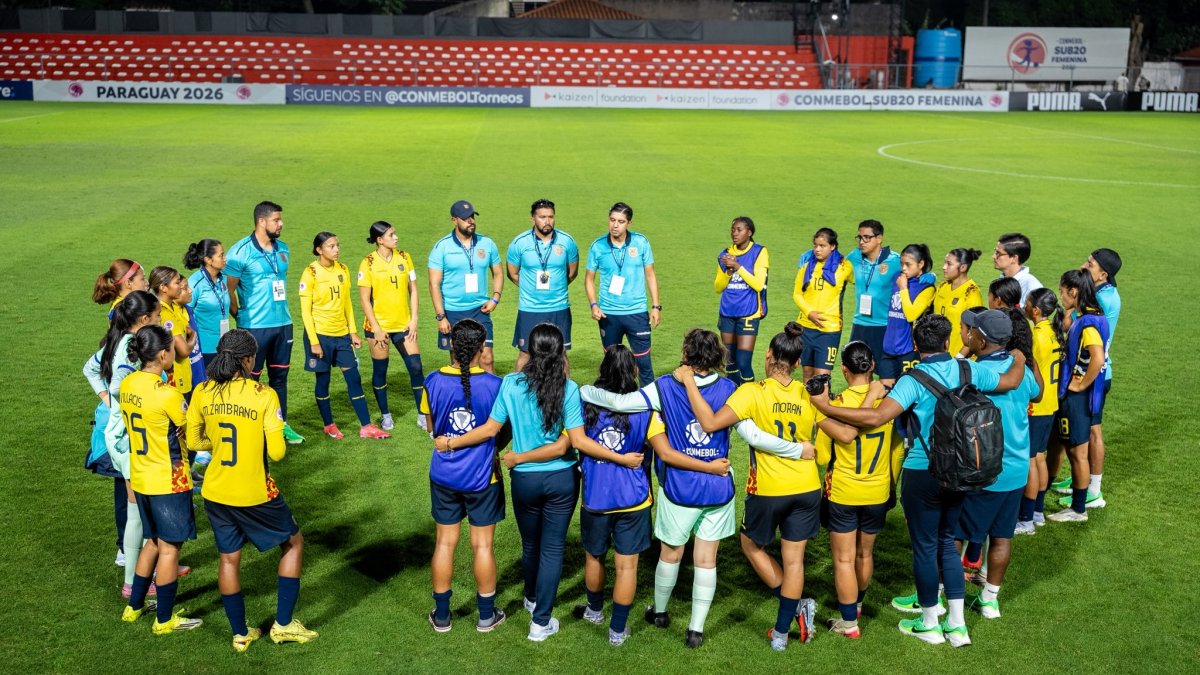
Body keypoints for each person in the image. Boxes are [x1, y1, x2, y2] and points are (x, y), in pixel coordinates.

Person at [580, 328, 807, 649]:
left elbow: (620, 402)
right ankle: (696, 630)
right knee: (706, 559)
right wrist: (797, 450)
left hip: (679, 490)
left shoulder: (664, 386)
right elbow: (753, 436)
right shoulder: (731, 389)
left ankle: (659, 613)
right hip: (717, 490)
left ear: (686, 354)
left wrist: (581, 391)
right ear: (717, 356)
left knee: (671, 554)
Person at [810, 314, 1028, 648]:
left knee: (926, 547)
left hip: (923, 472)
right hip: (961, 472)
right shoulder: (967, 369)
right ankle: (957, 627)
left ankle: (929, 622)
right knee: (948, 545)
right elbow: (1012, 381)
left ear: (915, 346)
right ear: (946, 342)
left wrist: (826, 407)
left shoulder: (913, 379)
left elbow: (876, 416)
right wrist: (1019, 356)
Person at [678, 323, 857, 651]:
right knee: (795, 563)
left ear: (769, 356)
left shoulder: (751, 392)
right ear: (799, 361)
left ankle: (796, 605)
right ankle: (779, 634)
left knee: (750, 545)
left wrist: (689, 382)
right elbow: (845, 434)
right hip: (806, 488)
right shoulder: (807, 394)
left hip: (768, 489)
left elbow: (709, 423)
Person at [433, 323, 606, 642]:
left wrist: (450, 444)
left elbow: (489, 430)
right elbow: (577, 441)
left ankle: (529, 598)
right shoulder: (568, 388)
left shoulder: (511, 383)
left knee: (530, 544)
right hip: (562, 479)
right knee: (552, 547)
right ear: (560, 352)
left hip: (524, 481)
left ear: (528, 352)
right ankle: (541, 623)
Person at [187, 329, 316, 651]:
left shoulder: (202, 391)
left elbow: (194, 442)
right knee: (293, 543)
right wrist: (271, 432)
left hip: (215, 491)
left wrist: (218, 443)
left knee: (229, 560)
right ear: (247, 359)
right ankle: (283, 625)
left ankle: (240, 633)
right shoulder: (263, 396)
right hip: (254, 492)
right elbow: (277, 453)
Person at [420, 319, 510, 634]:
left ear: (452, 347)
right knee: (482, 546)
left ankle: (442, 616)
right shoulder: (496, 385)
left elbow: (432, 428)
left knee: (445, 543)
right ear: (480, 349)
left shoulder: (431, 381)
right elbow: (502, 431)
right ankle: (486, 616)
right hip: (484, 477)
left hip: (443, 474)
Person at [573, 345, 663, 646]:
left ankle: (595, 611)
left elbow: (574, 442)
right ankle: (617, 629)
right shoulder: (646, 411)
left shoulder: (584, 405)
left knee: (594, 557)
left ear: (603, 370)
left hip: (596, 498)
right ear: (634, 372)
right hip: (634, 498)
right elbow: (661, 449)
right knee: (627, 566)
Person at [955, 309, 1041, 620]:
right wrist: (1025, 356)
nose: (968, 334)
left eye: (972, 331)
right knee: (1002, 536)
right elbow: (1039, 391)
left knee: (956, 534)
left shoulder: (974, 372)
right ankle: (990, 601)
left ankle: (940, 597)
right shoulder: (1022, 370)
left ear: (982, 338)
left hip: (983, 470)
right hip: (1017, 470)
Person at [118, 325, 201, 634]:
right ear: (164, 354)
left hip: (140, 476)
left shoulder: (128, 384)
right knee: (169, 549)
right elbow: (194, 431)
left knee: (152, 542)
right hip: (169, 478)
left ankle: (134, 606)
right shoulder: (167, 393)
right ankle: (165, 620)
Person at [815, 341, 902, 639]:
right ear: (873, 366)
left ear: (843, 369)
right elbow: (897, 449)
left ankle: (849, 622)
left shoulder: (836, 405)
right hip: (878, 491)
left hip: (843, 492)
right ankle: (859, 605)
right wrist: (890, 481)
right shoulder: (889, 402)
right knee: (865, 554)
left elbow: (823, 457)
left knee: (843, 559)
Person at [83, 291, 161, 586]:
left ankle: (147, 569)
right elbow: (118, 385)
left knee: (137, 509)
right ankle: (138, 578)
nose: (159, 322)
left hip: (125, 434)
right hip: (130, 439)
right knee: (138, 510)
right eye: (156, 318)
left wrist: (108, 401)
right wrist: (118, 401)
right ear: (143, 320)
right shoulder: (132, 345)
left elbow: (89, 368)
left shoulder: (118, 338)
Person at [225, 200, 303, 444]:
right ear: (261, 221)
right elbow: (228, 291)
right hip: (254, 326)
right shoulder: (239, 252)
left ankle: (280, 425)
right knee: (251, 379)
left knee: (279, 379)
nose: (281, 224)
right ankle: (252, 427)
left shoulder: (284, 249)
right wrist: (241, 315)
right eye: (276, 220)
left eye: (280, 219)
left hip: (283, 324)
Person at [300, 232, 389, 440]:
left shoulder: (343, 269)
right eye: (331, 246)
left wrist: (352, 331)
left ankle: (366, 426)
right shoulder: (310, 273)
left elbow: (347, 303)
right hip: (320, 336)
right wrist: (314, 342)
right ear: (319, 250)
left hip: (341, 337)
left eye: (337, 245)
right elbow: (305, 311)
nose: (336, 249)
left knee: (354, 378)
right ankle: (329, 424)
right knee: (323, 380)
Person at [1056, 249, 1121, 509]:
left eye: (1090, 264)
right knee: (1082, 432)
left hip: (1093, 376)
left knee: (1092, 431)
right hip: (1089, 371)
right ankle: (1078, 480)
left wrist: (1082, 383)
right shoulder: (1101, 293)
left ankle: (1093, 488)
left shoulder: (1102, 300)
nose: (1084, 265)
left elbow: (1075, 326)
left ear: (1103, 273)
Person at [1047, 270, 1109, 522]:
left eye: (1062, 291)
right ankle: (1076, 506)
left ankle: (1078, 509)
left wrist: (1081, 385)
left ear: (1073, 292)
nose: (1061, 296)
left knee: (1077, 453)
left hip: (1078, 400)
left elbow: (1097, 357)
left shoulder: (1089, 323)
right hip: (1078, 398)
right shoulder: (1087, 316)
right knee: (1070, 450)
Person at [584, 202, 662, 387]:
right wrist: (593, 304)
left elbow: (650, 274)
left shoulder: (641, 242)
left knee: (644, 364)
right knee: (612, 365)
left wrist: (656, 306)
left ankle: (650, 409)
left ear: (629, 223)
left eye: (620, 221)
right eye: (612, 220)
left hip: (636, 313)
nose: (615, 225)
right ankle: (614, 405)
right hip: (608, 315)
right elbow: (589, 279)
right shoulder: (598, 246)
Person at [359, 220, 426, 431]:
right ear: (379, 240)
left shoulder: (405, 258)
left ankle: (423, 414)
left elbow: (413, 290)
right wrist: (377, 328)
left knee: (416, 368)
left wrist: (414, 319)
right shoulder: (367, 263)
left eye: (395, 233)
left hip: (404, 325)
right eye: (391, 235)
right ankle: (386, 415)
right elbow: (364, 299)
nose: (396, 237)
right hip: (378, 328)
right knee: (381, 370)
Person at [428, 200, 504, 374]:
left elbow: (498, 272)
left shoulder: (487, 243)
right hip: (453, 312)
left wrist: (495, 298)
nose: (471, 221)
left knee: (486, 358)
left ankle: (489, 401)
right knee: (459, 362)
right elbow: (434, 284)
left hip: (480, 310)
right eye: (465, 218)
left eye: (472, 217)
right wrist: (441, 317)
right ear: (454, 220)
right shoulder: (442, 247)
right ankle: (463, 399)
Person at [507, 199, 579, 371]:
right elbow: (512, 273)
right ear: (533, 219)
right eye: (542, 217)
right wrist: (529, 288)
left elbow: (572, 273)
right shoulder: (520, 243)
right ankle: (519, 395)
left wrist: (558, 287)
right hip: (529, 308)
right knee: (525, 353)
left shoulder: (567, 241)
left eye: (550, 217)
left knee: (561, 352)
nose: (547, 221)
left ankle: (565, 395)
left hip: (558, 307)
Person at [1017, 289, 1061, 532]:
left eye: (1028, 302)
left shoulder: (1036, 337)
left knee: (1030, 461)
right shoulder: (1054, 331)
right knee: (1040, 458)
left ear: (1035, 310)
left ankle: (1025, 519)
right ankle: (1037, 513)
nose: (1024, 304)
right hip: (1051, 404)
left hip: (1036, 405)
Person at [792, 228, 853, 380]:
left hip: (829, 330)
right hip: (805, 327)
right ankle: (808, 404)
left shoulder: (844, 267)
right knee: (807, 373)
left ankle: (823, 404)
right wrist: (809, 313)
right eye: (815, 245)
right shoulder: (807, 266)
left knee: (822, 376)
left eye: (822, 246)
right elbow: (797, 294)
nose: (817, 249)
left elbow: (862, 282)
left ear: (832, 246)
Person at [714, 216, 769, 384]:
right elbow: (718, 287)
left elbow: (759, 285)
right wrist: (729, 271)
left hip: (748, 312)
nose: (735, 233)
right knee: (729, 363)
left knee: (744, 363)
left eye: (739, 230)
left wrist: (738, 267)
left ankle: (750, 398)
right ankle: (733, 397)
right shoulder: (725, 254)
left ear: (749, 232)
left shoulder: (760, 252)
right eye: (733, 230)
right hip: (727, 312)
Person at [846, 220, 902, 374]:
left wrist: (929, 277)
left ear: (879, 238)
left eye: (866, 237)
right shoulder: (854, 257)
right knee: (857, 370)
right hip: (859, 323)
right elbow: (836, 268)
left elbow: (915, 272)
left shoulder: (895, 260)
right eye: (859, 237)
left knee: (885, 372)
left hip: (883, 325)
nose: (861, 242)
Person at [879, 244, 936, 386]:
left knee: (907, 393)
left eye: (908, 264)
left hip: (909, 349)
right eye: (901, 264)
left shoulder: (927, 288)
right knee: (884, 393)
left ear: (921, 263)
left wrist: (903, 288)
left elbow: (911, 315)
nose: (903, 268)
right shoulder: (897, 277)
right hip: (888, 347)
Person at [150, 266, 198, 398]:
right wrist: (193, 335)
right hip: (174, 382)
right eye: (177, 283)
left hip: (183, 377)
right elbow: (184, 350)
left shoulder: (174, 307)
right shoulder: (163, 313)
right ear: (163, 287)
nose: (180, 287)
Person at [184, 239, 231, 368]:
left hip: (224, 345)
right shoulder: (195, 283)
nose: (225, 258)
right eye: (221, 255)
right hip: (205, 348)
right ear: (208, 260)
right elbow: (185, 315)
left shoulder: (223, 279)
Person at [933, 248, 984, 356]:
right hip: (939, 354)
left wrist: (959, 357)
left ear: (963, 267)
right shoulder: (942, 286)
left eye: (949, 264)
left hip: (960, 358)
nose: (944, 267)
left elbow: (975, 332)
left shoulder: (971, 293)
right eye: (944, 263)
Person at [992, 233, 1043, 305]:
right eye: (995, 251)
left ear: (1014, 258)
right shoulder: (1001, 280)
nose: (993, 256)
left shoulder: (1032, 287)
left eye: (998, 253)